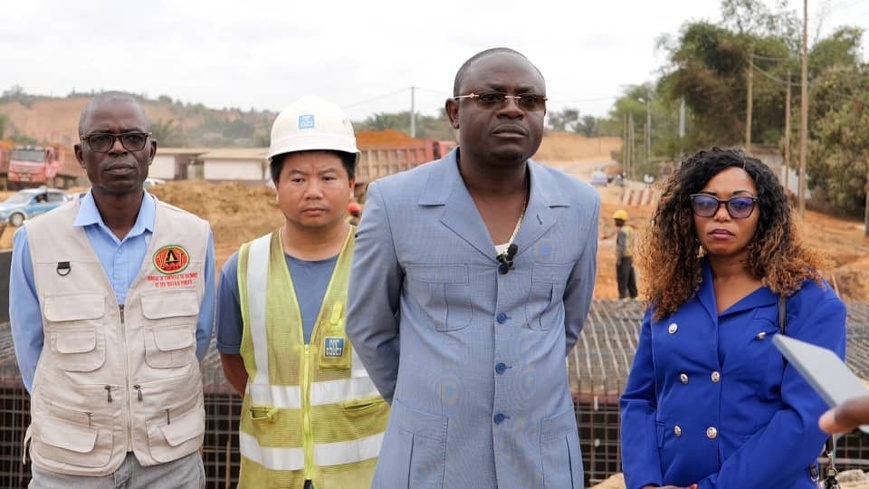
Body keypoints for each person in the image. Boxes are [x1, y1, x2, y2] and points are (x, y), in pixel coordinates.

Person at [346, 47, 599, 488]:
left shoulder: (579, 205)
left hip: (540, 458)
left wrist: (522, 385)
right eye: (490, 97)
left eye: (529, 100)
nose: (512, 110)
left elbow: (567, 322)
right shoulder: (395, 203)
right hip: (431, 458)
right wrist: (423, 399)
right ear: (454, 111)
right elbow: (369, 325)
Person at [9, 91, 215, 488]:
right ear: (81, 154)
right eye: (102, 139)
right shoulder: (37, 240)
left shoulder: (193, 236)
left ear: (151, 150)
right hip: (69, 465)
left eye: (132, 138)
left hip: (168, 463)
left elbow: (197, 337)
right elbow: (30, 348)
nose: (119, 149)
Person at [619, 147, 847, 489]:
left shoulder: (808, 300)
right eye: (706, 203)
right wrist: (646, 482)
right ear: (688, 213)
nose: (721, 216)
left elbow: (807, 419)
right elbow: (640, 399)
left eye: (740, 205)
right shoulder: (671, 294)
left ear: (764, 213)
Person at [215, 95, 389, 488]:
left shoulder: (381, 265)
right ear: (275, 185)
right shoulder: (243, 268)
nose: (313, 191)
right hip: (271, 478)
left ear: (351, 184)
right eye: (297, 178)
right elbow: (233, 363)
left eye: (328, 177)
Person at [613, 209, 638, 300]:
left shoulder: (622, 231)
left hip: (624, 257)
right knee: (630, 276)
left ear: (620, 220)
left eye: (616, 220)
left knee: (622, 277)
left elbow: (622, 246)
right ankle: (633, 294)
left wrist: (618, 259)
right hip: (630, 256)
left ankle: (622, 296)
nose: (615, 222)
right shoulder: (630, 230)